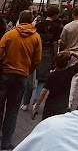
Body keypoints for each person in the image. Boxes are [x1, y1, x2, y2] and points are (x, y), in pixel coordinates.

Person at [0, 10, 42, 149]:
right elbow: (37, 60)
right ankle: (6, 143)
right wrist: (27, 71)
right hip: (21, 76)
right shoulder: (36, 37)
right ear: (31, 21)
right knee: (12, 110)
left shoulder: (10, 34)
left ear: (19, 19)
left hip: (5, 75)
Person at [31, 52, 78, 121]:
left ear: (55, 63)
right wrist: (73, 53)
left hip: (50, 106)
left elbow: (44, 92)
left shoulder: (52, 76)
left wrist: (37, 106)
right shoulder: (70, 72)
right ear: (67, 63)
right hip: (62, 106)